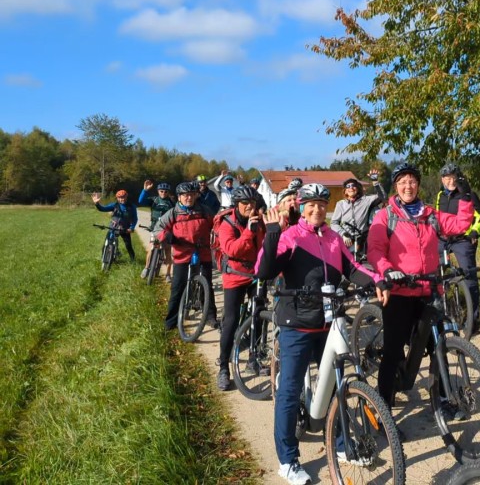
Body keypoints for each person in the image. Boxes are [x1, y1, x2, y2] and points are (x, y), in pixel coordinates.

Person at [256, 183, 381, 485]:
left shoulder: (334, 237)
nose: (317, 209)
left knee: (335, 384)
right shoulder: (290, 236)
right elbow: (265, 270)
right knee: (288, 390)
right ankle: (287, 460)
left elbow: (352, 268)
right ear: (300, 205)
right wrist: (272, 233)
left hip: (327, 323)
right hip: (296, 324)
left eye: (322, 205)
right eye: (310, 204)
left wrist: (379, 281)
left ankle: (340, 444)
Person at [366, 162, 475, 422]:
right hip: (400, 291)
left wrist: (466, 196)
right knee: (393, 352)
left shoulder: (430, 214)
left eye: (412, 181)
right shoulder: (386, 215)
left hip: (429, 290)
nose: (408, 186)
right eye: (403, 181)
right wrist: (386, 269)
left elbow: (460, 224)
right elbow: (376, 250)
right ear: (396, 186)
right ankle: (384, 409)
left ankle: (446, 399)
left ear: (418, 184)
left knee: (439, 346)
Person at [216, 186, 266, 391]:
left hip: (256, 276)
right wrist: (248, 232)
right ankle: (223, 366)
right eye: (245, 204)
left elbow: (265, 247)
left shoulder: (259, 221)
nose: (249, 207)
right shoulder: (226, 223)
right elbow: (231, 249)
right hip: (235, 276)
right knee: (230, 320)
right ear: (237, 204)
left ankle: (255, 356)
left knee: (260, 315)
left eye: (252, 204)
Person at [155, 181, 219, 332]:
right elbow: (158, 228)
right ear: (179, 197)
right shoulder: (174, 212)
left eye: (191, 195)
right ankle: (170, 321)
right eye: (185, 195)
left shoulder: (204, 210)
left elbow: (217, 225)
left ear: (196, 195)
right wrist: (167, 237)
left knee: (207, 286)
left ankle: (210, 317)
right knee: (177, 287)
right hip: (182, 254)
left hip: (202, 252)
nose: (188, 198)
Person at [435, 162, 480, 325]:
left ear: (459, 177)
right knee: (435, 273)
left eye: (453, 177)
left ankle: (473, 318)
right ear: (442, 180)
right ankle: (443, 307)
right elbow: (438, 216)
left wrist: (474, 232)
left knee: (469, 275)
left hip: (463, 239)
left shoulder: (468, 194)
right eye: (446, 178)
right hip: (443, 239)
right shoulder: (440, 196)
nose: (450, 181)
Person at [330, 170, 386, 260]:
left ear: (358, 188)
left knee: (364, 264)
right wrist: (343, 234)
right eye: (348, 186)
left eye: (353, 185)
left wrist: (375, 181)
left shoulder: (366, 200)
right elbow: (333, 223)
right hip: (346, 239)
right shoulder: (340, 204)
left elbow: (382, 196)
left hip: (363, 239)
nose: (351, 188)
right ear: (345, 191)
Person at [138, 180, 175, 280]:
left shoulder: (172, 202)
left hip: (167, 229)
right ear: (158, 191)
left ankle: (167, 274)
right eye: (161, 191)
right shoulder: (154, 200)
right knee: (151, 248)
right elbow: (141, 202)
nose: (163, 193)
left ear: (168, 192)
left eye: (166, 191)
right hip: (155, 228)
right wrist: (145, 190)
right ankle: (146, 268)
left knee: (168, 250)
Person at [92, 189, 138, 261]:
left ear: (126, 197)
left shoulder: (132, 206)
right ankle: (104, 258)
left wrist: (131, 228)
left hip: (125, 228)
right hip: (113, 227)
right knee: (106, 243)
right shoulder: (114, 205)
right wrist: (97, 204)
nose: (121, 199)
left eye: (123, 197)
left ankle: (133, 260)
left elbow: (135, 218)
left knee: (128, 245)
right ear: (117, 198)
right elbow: (103, 209)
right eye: (120, 197)